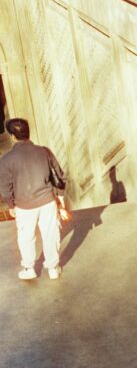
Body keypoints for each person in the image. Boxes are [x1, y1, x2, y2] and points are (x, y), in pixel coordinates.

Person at [0, 117, 68, 280]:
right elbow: (59, 177)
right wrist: (62, 203)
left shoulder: (7, 159)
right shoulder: (44, 151)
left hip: (24, 206)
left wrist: (11, 205)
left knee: (26, 236)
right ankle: (53, 268)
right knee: (50, 233)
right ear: (28, 134)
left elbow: (4, 186)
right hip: (47, 201)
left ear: (13, 136)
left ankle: (29, 268)